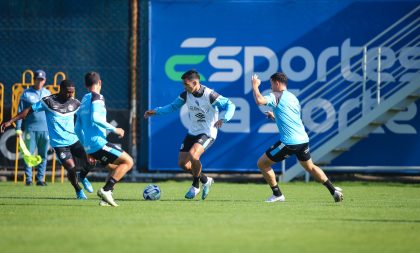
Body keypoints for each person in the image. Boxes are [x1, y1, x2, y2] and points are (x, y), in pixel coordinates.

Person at [251, 72, 343, 203]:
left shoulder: (276, 95)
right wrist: (275, 116)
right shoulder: (293, 97)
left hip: (289, 142)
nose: (271, 87)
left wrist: (255, 86)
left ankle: (277, 194)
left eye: (271, 84)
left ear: (277, 83)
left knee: (262, 163)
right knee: (310, 167)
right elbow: (291, 117)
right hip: (303, 140)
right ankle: (333, 191)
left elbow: (259, 101)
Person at [144, 69, 236, 200]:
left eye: (186, 84)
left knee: (193, 155)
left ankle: (195, 186)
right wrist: (156, 112)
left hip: (208, 132)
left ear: (195, 82)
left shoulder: (210, 95)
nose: (184, 87)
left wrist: (224, 118)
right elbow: (172, 107)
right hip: (193, 132)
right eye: (183, 84)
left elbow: (230, 104)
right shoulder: (186, 95)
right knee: (183, 164)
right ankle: (205, 180)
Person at [1, 80, 94, 199]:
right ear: (61, 90)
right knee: (71, 168)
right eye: (68, 92)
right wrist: (10, 121)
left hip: (74, 140)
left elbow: (85, 118)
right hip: (59, 144)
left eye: (72, 92)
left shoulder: (75, 103)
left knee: (92, 160)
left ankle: (82, 176)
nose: (71, 95)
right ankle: (78, 190)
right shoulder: (49, 101)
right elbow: (28, 111)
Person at [75, 72, 133, 207]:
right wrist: (115, 129)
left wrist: (87, 148)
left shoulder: (83, 99)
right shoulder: (98, 97)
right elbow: (96, 118)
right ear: (99, 83)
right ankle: (106, 190)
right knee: (128, 162)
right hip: (99, 143)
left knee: (115, 168)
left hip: (90, 146)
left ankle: (105, 199)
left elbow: (77, 129)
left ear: (85, 85)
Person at [16, 70, 50, 186]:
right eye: (38, 79)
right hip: (30, 129)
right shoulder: (26, 94)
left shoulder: (48, 93)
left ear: (44, 80)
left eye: (42, 80)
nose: (40, 82)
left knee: (43, 155)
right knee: (28, 155)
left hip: (45, 130)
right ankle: (29, 179)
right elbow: (20, 112)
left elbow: (51, 112)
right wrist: (18, 128)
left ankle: (40, 179)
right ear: (34, 80)